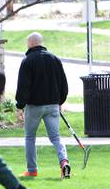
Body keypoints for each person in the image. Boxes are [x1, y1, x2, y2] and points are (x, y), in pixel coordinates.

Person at [15, 32, 70, 179]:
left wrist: (20, 105)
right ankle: (64, 162)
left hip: (34, 106)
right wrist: (60, 102)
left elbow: (23, 86)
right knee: (56, 137)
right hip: (53, 105)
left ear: (31, 43)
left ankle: (32, 170)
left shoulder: (27, 61)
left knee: (30, 137)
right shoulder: (55, 59)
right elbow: (64, 85)